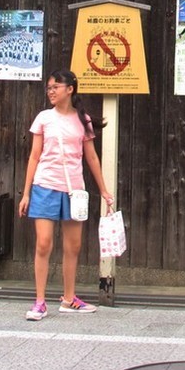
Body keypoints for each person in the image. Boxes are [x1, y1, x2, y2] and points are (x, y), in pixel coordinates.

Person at [18, 70, 114, 318]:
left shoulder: (82, 120)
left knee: (73, 246)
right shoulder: (43, 118)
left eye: (55, 87)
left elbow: (91, 157)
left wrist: (104, 190)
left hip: (74, 190)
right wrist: (26, 193)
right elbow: (34, 156)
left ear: (70, 89)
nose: (51, 91)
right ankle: (40, 301)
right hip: (44, 186)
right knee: (43, 243)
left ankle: (69, 298)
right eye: (48, 88)